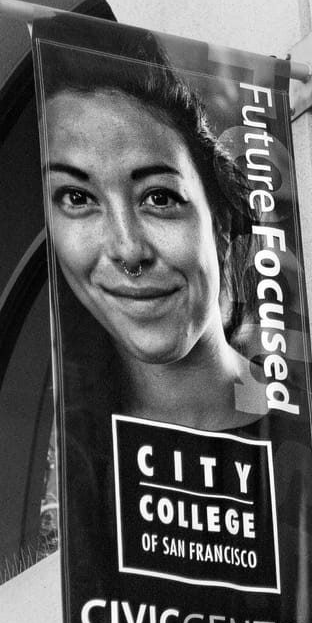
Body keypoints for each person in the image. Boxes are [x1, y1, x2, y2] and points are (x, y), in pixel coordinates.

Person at [41, 49, 257, 432]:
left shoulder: (309, 418)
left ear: (220, 223)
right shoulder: (65, 451)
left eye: (159, 197)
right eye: (78, 198)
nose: (128, 251)